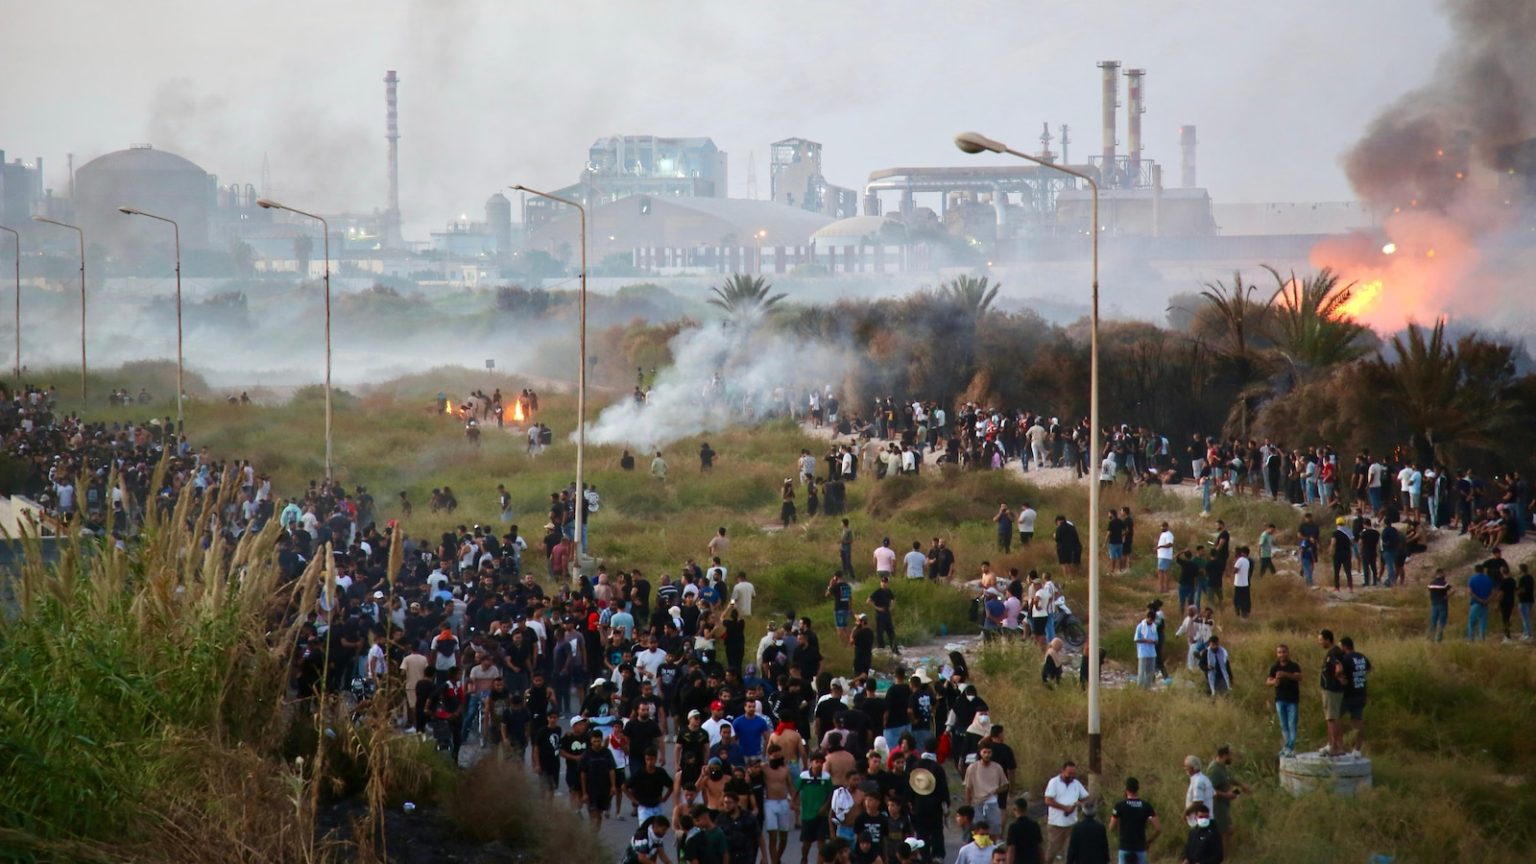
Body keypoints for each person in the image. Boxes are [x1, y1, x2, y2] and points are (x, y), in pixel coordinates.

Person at [1042, 761, 1089, 863]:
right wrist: (1065, 808)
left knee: (1072, 851)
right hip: (1056, 823)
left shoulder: (1076, 783)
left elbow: (1085, 797)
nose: (1072, 776)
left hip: (1072, 823)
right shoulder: (1054, 782)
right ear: (1063, 771)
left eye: (1073, 774)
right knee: (1052, 851)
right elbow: (1048, 800)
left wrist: (1077, 803)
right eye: (1069, 773)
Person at [1109, 777, 1160, 864]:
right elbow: (1158, 829)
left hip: (1125, 847)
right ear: (1138, 789)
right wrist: (1149, 842)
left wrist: (1120, 833)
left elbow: (1111, 827)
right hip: (1140, 848)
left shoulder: (1119, 806)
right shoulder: (1146, 806)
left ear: (1126, 789)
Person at [797, 753, 835, 864]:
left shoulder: (826, 777)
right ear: (811, 762)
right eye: (816, 762)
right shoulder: (804, 776)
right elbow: (796, 789)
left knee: (821, 842)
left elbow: (830, 793)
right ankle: (804, 858)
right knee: (806, 844)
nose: (818, 764)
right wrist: (794, 803)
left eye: (821, 762)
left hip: (822, 815)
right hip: (807, 815)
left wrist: (825, 806)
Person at [1206, 746, 1247, 849]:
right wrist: (1227, 795)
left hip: (1223, 806)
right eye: (1231, 755)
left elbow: (1228, 778)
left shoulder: (1222, 766)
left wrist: (1241, 785)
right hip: (1217, 807)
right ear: (1225, 756)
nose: (1232, 758)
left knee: (1227, 832)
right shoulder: (1214, 770)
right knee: (1225, 832)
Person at [1265, 644, 1303, 756]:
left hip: (1292, 699)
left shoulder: (1294, 666)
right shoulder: (1274, 667)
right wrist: (1274, 682)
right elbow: (1268, 681)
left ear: (1288, 653)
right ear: (1277, 654)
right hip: (1280, 699)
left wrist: (1285, 675)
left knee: (1292, 723)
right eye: (1279, 652)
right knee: (1283, 724)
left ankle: (1291, 747)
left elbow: (1299, 677)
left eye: (1284, 652)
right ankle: (1287, 746)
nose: (1282, 654)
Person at [964, 745, 1010, 835]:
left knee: (994, 828)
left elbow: (1005, 785)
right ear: (980, 753)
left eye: (989, 752)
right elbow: (968, 788)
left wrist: (996, 791)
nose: (987, 755)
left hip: (992, 801)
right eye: (984, 752)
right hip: (977, 802)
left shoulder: (997, 768)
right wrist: (968, 806)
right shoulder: (972, 768)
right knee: (978, 829)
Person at [1316, 629, 1347, 757]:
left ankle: (1333, 746)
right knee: (1334, 717)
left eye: (1321, 640)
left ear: (1328, 640)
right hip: (1333, 690)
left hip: (1331, 690)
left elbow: (1339, 668)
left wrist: (1338, 677)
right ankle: (1338, 746)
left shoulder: (1334, 653)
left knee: (1331, 718)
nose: (1320, 643)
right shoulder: (1335, 652)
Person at [1339, 637, 1371, 756]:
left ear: (1344, 646)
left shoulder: (1346, 658)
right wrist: (1360, 676)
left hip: (1349, 693)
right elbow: (1369, 668)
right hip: (1361, 692)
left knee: (1335, 717)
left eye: (1340, 646)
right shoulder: (1361, 656)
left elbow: (1339, 671)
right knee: (1357, 721)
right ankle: (1357, 749)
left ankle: (1337, 744)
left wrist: (1340, 678)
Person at [1004, 795, 1043, 864]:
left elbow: (1011, 849)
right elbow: (1039, 847)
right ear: (1026, 809)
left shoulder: (1013, 827)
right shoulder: (1034, 825)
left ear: (1015, 809)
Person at [868, 575, 897, 652]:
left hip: (887, 614)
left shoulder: (888, 591)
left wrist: (891, 607)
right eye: (882, 582)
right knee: (880, 633)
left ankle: (894, 649)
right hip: (880, 615)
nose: (884, 583)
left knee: (891, 632)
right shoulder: (878, 591)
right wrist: (877, 608)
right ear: (880, 583)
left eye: (885, 582)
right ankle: (881, 649)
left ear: (888, 583)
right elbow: (868, 601)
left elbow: (894, 599)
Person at [1467, 564, 1494, 641]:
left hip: (1476, 603)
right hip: (1485, 604)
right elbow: (1493, 592)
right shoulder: (1488, 579)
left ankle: (1471, 639)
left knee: (1472, 622)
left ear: (1475, 570)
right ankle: (1482, 638)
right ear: (1483, 570)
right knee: (1483, 622)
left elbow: (1470, 592)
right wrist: (1487, 600)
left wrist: (1479, 599)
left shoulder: (1472, 579)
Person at [1133, 609, 1159, 689]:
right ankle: (1139, 687)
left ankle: (1147, 688)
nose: (1151, 621)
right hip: (1143, 652)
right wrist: (1146, 640)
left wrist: (1153, 641)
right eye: (1150, 619)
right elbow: (1136, 639)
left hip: (1152, 652)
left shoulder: (1154, 627)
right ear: (1147, 618)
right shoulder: (1140, 626)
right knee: (1141, 672)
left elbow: (1156, 640)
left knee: (1150, 672)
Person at [1426, 568, 1453, 641]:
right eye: (1443, 573)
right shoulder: (1444, 583)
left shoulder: (1431, 583)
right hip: (1442, 604)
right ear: (1440, 574)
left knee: (1433, 621)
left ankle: (1430, 637)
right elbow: (1452, 590)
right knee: (1442, 622)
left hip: (1434, 604)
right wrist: (1447, 596)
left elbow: (1429, 591)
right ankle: (1438, 638)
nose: (1445, 575)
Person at [1155, 523, 1176, 594]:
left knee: (1163, 572)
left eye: (1163, 527)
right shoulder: (1163, 534)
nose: (1161, 528)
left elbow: (1170, 544)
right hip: (1161, 555)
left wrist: (1160, 547)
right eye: (1161, 527)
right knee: (1162, 571)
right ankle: (1162, 588)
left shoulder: (1169, 534)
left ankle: (1164, 588)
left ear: (1167, 527)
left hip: (1165, 556)